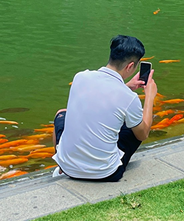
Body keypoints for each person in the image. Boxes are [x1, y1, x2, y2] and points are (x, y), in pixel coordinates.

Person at [52, 35, 157, 181]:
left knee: (61, 114)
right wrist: (150, 97)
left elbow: (100, 97)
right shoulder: (129, 98)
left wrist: (126, 86)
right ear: (130, 66)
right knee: (136, 126)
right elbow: (143, 134)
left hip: (69, 169)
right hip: (106, 173)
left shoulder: (80, 77)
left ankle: (62, 166)